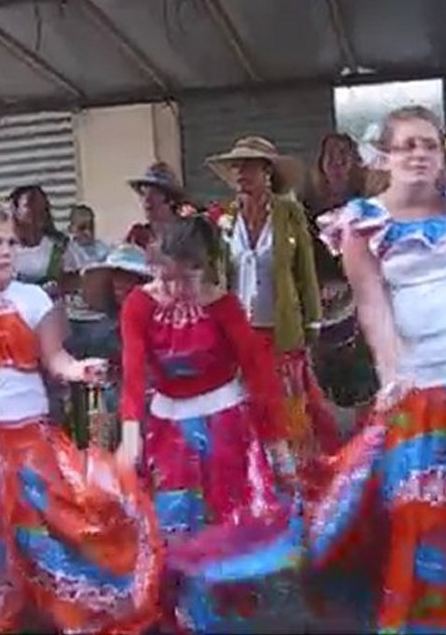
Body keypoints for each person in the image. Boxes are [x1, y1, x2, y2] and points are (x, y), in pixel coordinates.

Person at [0, 204, 162, 634]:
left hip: (30, 442)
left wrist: (79, 370)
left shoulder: (33, 299)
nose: (7, 251)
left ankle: (77, 614)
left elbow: (55, 359)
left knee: (58, 529)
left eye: (11, 242)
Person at [309, 106, 446, 633]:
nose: (420, 155)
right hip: (417, 388)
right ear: (386, 156)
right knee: (419, 510)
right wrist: (391, 372)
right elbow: (372, 303)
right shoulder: (364, 221)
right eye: (407, 146)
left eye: (429, 144)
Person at [118, 217, 299, 632]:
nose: (175, 291)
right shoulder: (140, 305)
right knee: (175, 522)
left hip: (225, 424)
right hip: (168, 427)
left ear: (209, 268)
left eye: (187, 279)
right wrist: (130, 437)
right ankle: (185, 617)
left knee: (225, 526)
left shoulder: (224, 307)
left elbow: (260, 378)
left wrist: (278, 448)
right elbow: (133, 374)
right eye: (165, 279)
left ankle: (226, 618)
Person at [207, 136, 339, 494]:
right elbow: (218, 275)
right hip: (238, 333)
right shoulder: (224, 218)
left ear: (268, 172)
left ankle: (299, 485)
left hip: (278, 330)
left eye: (249, 166)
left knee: (287, 411)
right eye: (236, 167)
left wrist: (311, 324)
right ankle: (254, 484)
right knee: (245, 410)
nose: (241, 174)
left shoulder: (288, 213)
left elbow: (305, 274)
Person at [303, 134, 377, 416]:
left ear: (355, 162)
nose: (337, 161)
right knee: (327, 387)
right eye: (330, 155)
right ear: (320, 164)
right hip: (323, 307)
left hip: (363, 304)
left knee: (366, 384)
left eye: (344, 154)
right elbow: (303, 255)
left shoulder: (368, 205)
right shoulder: (307, 207)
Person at [69, 244, 152, 450]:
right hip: (112, 415)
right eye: (116, 276)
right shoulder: (103, 329)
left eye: (127, 276)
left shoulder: (158, 324)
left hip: (152, 411)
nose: (120, 283)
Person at [8, 184, 69, 293]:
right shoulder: (5, 248)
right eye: (28, 205)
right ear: (15, 210)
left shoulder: (59, 246)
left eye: (42, 205)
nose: (37, 210)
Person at [125, 163, 185, 253]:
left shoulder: (188, 234)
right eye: (144, 192)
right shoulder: (138, 235)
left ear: (170, 198)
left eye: (155, 192)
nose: (147, 199)